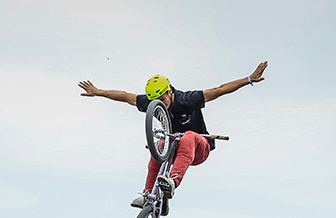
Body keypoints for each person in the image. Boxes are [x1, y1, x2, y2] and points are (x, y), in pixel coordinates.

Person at [79, 62, 267, 210]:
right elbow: (126, 96)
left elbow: (220, 90)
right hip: (174, 147)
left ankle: (172, 181)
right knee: (160, 144)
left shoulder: (187, 99)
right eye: (155, 101)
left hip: (198, 148)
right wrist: (99, 92)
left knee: (188, 136)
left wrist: (249, 79)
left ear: (169, 91)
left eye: (162, 99)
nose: (160, 104)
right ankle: (149, 194)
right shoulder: (153, 103)